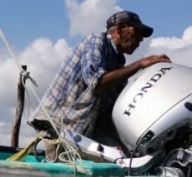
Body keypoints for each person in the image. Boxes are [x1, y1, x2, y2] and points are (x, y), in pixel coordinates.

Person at [31, 10, 170, 149]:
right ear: (120, 28)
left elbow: (113, 106)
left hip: (83, 129)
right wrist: (140, 64)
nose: (141, 39)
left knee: (123, 159)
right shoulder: (97, 41)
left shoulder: (118, 60)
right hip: (59, 124)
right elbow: (96, 82)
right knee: (64, 167)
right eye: (137, 32)